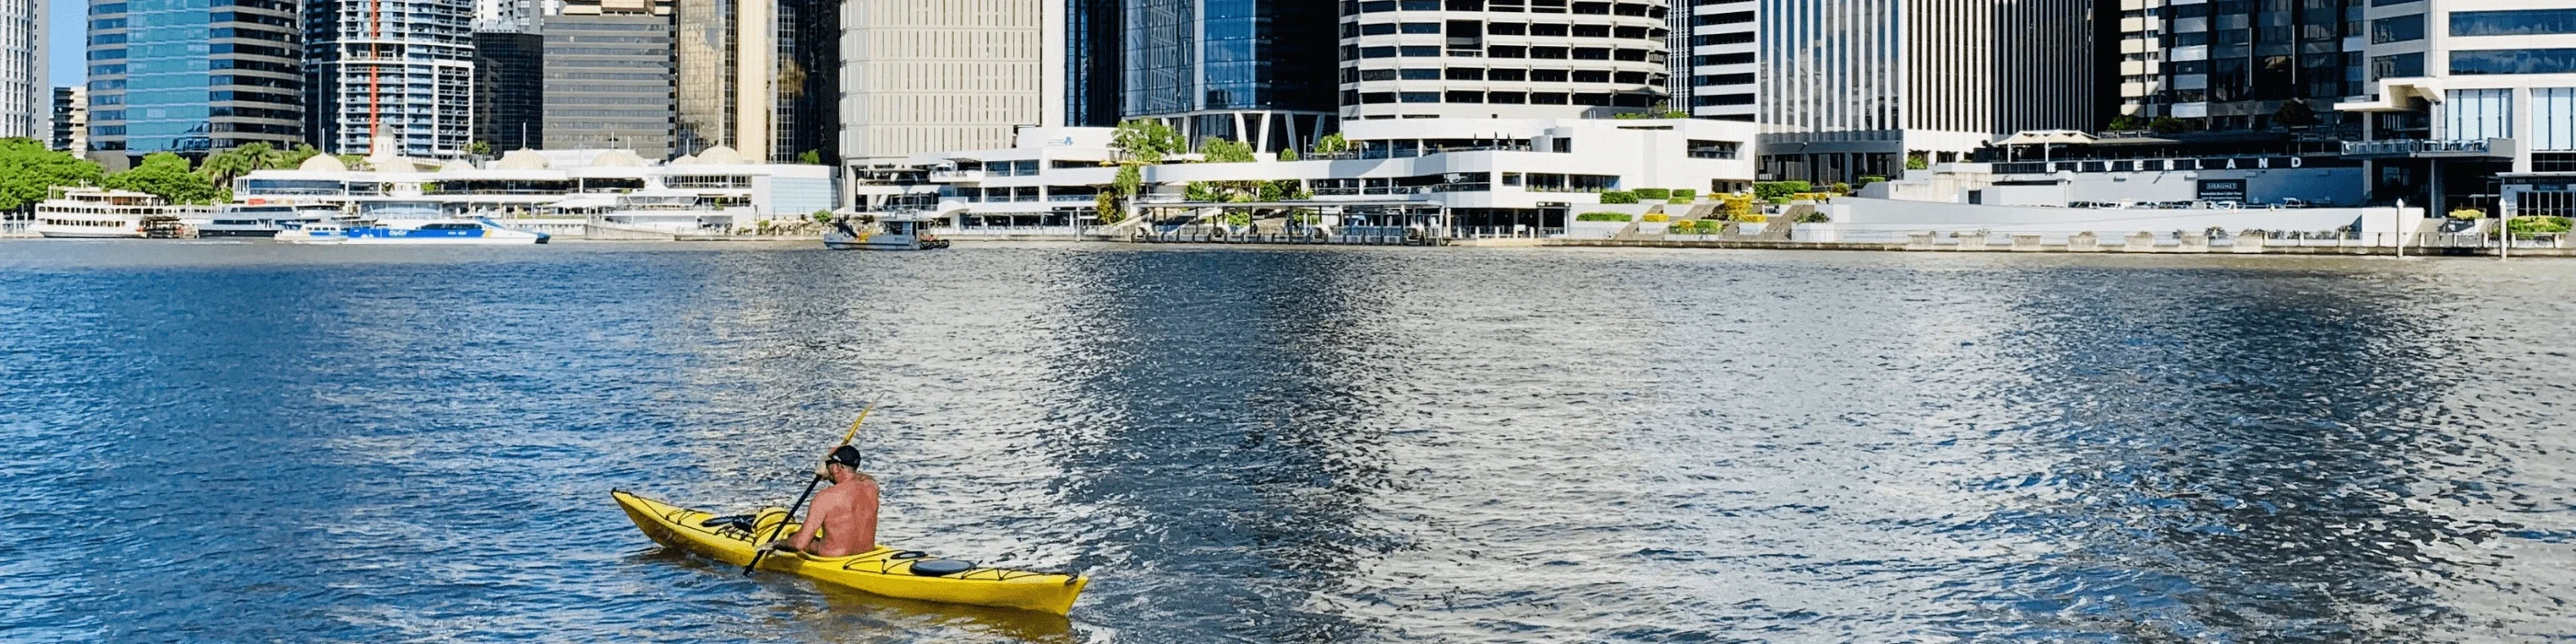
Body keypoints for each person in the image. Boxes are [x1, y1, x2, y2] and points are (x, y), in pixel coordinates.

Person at [757, 445, 880, 558]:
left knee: (792, 537)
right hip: (865, 554)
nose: (826, 466)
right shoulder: (872, 487)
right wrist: (832, 466)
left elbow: (799, 544)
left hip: (833, 557)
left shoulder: (824, 498)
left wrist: (776, 544)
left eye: (828, 464)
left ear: (837, 467)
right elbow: (863, 477)